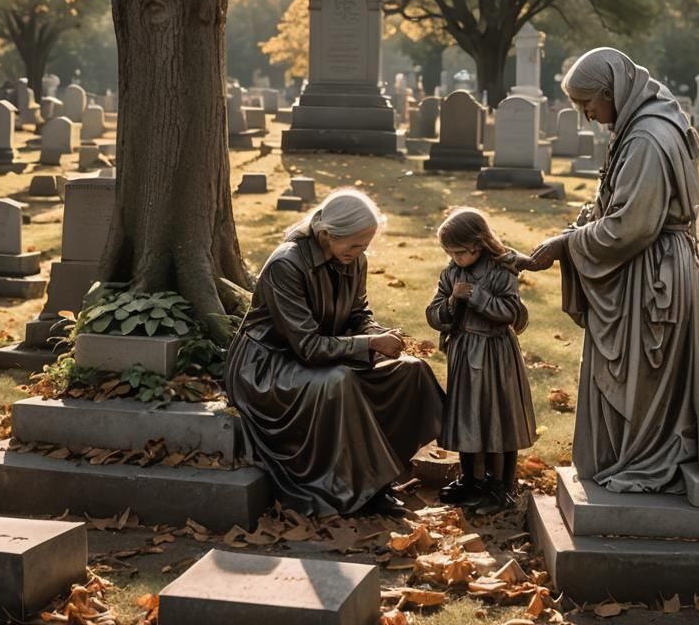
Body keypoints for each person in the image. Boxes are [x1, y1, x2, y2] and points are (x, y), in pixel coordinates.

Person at [526, 48, 699, 493]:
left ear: (611, 92)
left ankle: (641, 460)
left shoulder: (646, 137)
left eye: (589, 106)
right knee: (634, 382)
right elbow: (617, 203)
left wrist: (567, 244)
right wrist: (578, 227)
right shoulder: (639, 124)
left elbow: (630, 226)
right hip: (641, 269)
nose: (587, 117)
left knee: (641, 385)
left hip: (651, 276)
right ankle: (623, 459)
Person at [226, 189, 445, 518]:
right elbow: (308, 347)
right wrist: (369, 345)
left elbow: (358, 314)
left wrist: (378, 334)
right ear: (326, 234)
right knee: (338, 381)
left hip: (325, 353)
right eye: (353, 245)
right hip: (267, 367)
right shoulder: (286, 265)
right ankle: (358, 489)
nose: (359, 253)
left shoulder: (354, 260)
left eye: (365, 246)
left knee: (409, 370)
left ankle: (382, 476)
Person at [425, 208, 536, 514]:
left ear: (478, 244)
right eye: (449, 252)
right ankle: (470, 479)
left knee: (495, 415)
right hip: (464, 352)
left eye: (459, 252)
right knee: (467, 415)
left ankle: (498, 486)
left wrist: (475, 296)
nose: (454, 257)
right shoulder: (451, 273)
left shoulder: (502, 272)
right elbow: (434, 314)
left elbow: (510, 312)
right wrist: (450, 302)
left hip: (496, 353)